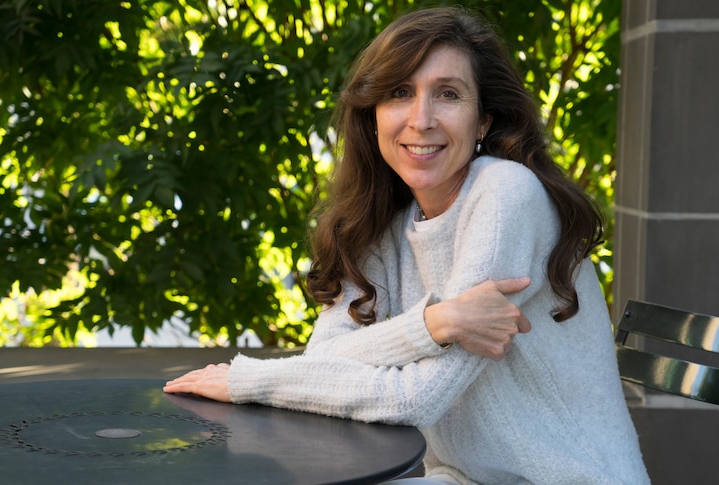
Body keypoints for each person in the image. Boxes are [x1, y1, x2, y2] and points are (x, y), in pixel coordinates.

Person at [164, 6, 650, 484]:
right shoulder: (387, 218)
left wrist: (248, 382)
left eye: (448, 94)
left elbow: (415, 399)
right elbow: (324, 358)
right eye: (400, 93)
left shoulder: (505, 194)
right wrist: (437, 322)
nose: (421, 119)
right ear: (373, 113)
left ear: (483, 121)